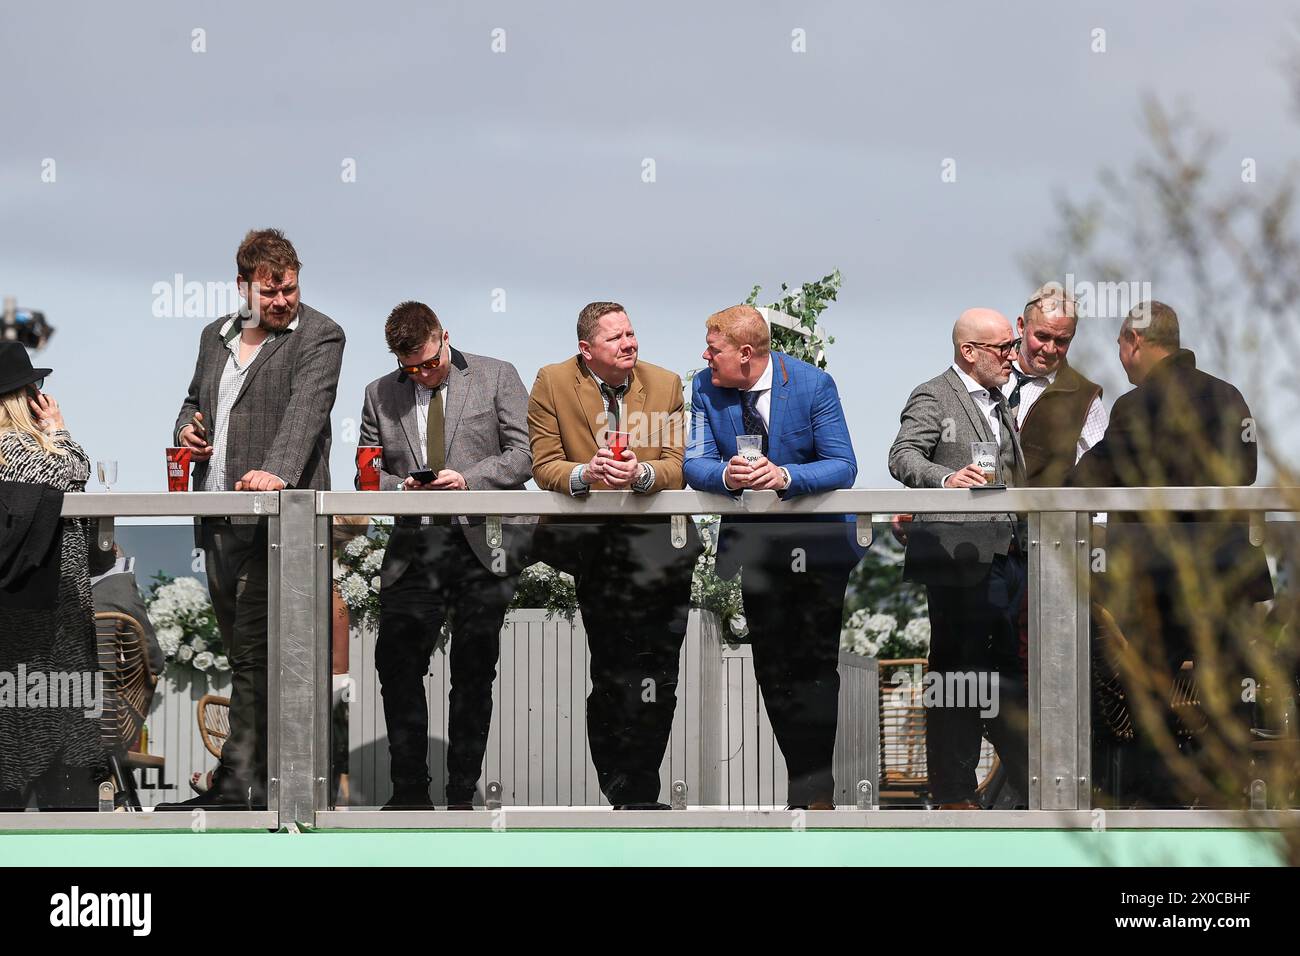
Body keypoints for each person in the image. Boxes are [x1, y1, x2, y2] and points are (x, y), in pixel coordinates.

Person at [161, 228, 345, 809]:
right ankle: (260, 788)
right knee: (247, 655)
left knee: (257, 652)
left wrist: (277, 474)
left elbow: (305, 416)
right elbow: (195, 402)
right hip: (218, 517)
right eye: (269, 292)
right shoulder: (212, 337)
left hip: (282, 523)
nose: (282, 301)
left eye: (289, 288)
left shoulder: (321, 334)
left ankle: (235, 786)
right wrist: (186, 428)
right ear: (242, 287)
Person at [1069, 301, 1274, 806]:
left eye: (1120, 346)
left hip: (1158, 579)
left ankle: (1161, 804)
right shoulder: (1230, 397)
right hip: (1227, 573)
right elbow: (1245, 474)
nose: (1120, 358)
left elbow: (1095, 477)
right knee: (1226, 689)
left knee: (1151, 692)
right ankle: (1228, 796)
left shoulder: (1136, 406)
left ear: (1135, 342)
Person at [683, 305, 860, 809]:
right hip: (755, 551)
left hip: (818, 549)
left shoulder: (813, 384)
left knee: (814, 669)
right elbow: (693, 463)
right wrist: (725, 477)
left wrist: (785, 477)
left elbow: (843, 465)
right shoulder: (703, 386)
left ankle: (814, 793)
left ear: (745, 352)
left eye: (713, 348)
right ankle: (802, 785)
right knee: (773, 669)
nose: (704, 356)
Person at [359, 301, 533, 810]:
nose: (421, 373)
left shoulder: (497, 375)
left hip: (481, 544)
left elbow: (523, 455)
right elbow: (366, 476)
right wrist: (403, 488)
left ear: (445, 337)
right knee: (396, 666)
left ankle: (461, 795)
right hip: (415, 546)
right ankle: (409, 792)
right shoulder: (378, 394)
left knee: (474, 672)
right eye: (409, 366)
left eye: (429, 362)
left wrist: (468, 480)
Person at [527, 301, 702, 809]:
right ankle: (622, 788)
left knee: (658, 674)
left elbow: (675, 466)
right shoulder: (552, 381)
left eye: (631, 333)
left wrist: (640, 476)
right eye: (615, 338)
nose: (630, 343)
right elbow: (545, 466)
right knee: (611, 673)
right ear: (586, 350)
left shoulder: (666, 383)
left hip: (661, 551)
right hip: (596, 549)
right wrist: (588, 474)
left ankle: (641, 788)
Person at [888, 308, 1029, 809]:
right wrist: (946, 482)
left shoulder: (1001, 402)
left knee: (1006, 674)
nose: (1014, 356)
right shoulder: (934, 394)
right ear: (969, 352)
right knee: (956, 673)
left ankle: (1028, 783)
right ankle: (953, 792)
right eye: (1003, 348)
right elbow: (902, 456)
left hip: (1010, 559)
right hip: (958, 558)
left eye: (1013, 346)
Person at [0, 343, 105, 809]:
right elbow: (72, 471)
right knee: (45, 737)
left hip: (41, 614)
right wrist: (59, 431)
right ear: (21, 397)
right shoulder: (11, 447)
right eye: (35, 387)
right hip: (40, 618)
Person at [90, 544, 165, 718]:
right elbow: (153, 662)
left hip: (45, 706)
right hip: (101, 716)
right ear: (114, 550)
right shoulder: (119, 588)